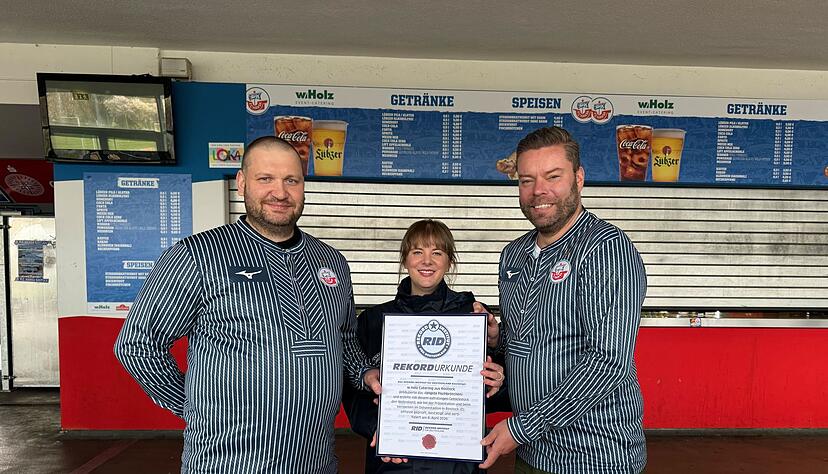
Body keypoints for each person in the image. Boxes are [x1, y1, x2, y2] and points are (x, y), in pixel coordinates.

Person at [114, 136, 380, 473]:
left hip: (315, 461)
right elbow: (139, 344)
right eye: (265, 179)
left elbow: (344, 339)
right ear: (242, 183)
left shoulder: (332, 261)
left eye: (291, 180)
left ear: (303, 186)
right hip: (227, 462)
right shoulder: (197, 255)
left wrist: (365, 372)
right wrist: (193, 407)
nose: (280, 192)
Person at [479, 126, 647, 473]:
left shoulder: (606, 249)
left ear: (579, 178)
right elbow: (528, 343)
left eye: (552, 176)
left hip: (596, 457)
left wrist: (521, 427)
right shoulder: (513, 255)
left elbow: (608, 361)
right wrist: (498, 343)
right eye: (526, 180)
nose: (538, 190)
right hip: (533, 452)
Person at [343, 219, 509, 474]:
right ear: (405, 259)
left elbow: (496, 393)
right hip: (393, 461)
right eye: (417, 252)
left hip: (459, 463)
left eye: (437, 253)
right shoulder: (373, 321)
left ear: (449, 261)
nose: (427, 261)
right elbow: (354, 392)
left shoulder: (473, 318)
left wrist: (496, 366)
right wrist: (378, 431)